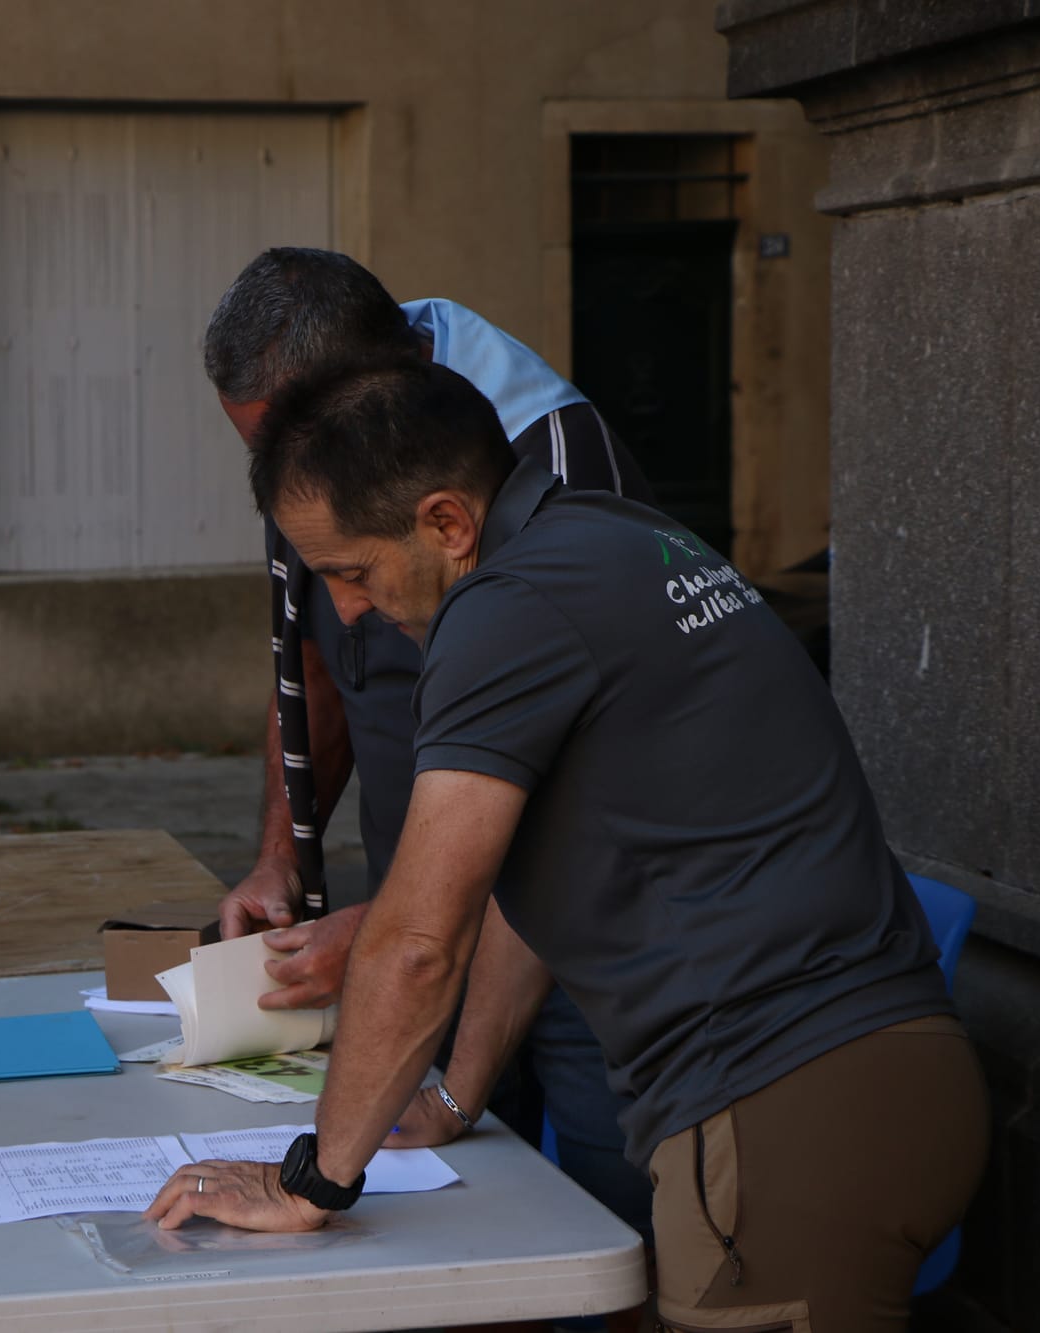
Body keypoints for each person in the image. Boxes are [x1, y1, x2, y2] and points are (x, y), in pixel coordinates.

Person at [145, 358, 988, 1332]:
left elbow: (416, 943)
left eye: (350, 571)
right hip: (884, 1083)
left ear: (446, 524)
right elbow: (522, 884)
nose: (343, 611)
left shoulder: (503, 612)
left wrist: (312, 1182)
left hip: (777, 1116)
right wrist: (455, 1098)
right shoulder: (616, 535)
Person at [203, 248, 657, 1248]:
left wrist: (388, 930)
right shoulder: (319, 448)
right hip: (437, 923)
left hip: (576, 947)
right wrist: (285, 850)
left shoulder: (555, 468)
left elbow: (577, 794)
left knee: (599, 1233)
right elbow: (315, 662)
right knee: (456, 1216)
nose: (350, 602)